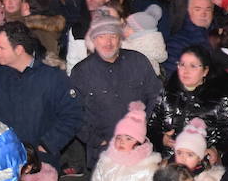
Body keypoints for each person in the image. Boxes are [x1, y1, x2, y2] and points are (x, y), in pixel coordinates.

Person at [0, 21, 82, 170]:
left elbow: (72, 115)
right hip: (3, 160)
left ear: (18, 50)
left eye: (1, 48)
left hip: (40, 163)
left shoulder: (52, 78)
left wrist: (47, 145)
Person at [69, 10, 162, 171]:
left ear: (120, 39)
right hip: (103, 153)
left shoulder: (138, 61)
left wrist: (142, 129)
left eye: (113, 36)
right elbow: (72, 112)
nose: (108, 42)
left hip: (139, 149)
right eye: (102, 36)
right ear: (93, 40)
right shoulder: (81, 72)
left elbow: (156, 96)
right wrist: (96, 140)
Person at [149, 45, 228, 162]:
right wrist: (161, 139)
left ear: (205, 71)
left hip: (200, 164)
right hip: (167, 162)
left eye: (193, 66)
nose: (186, 71)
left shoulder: (218, 99)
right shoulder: (168, 93)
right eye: (182, 64)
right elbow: (152, 125)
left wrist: (217, 151)